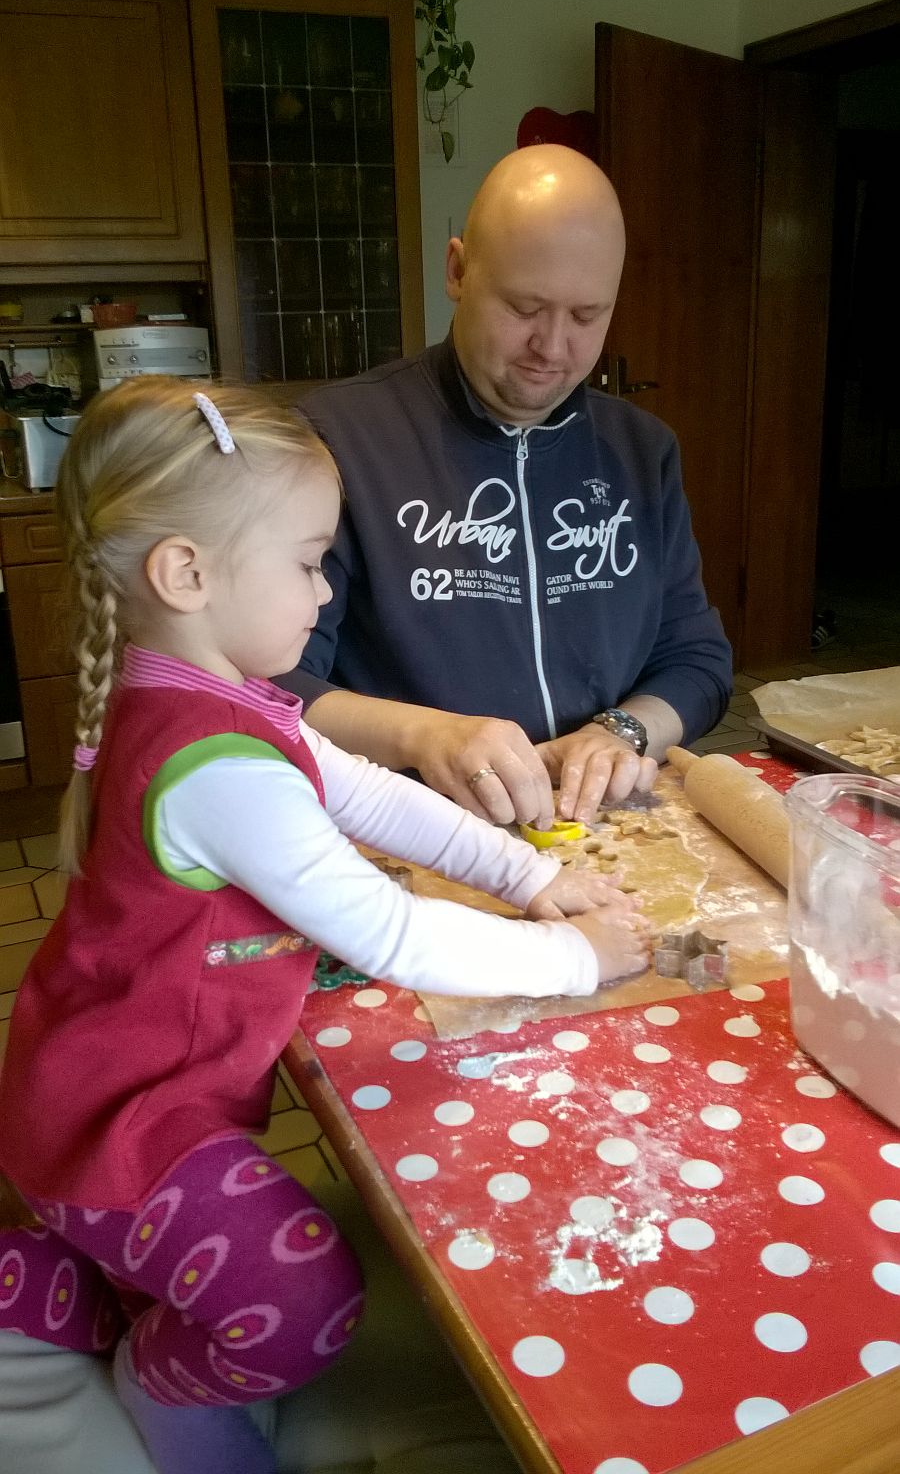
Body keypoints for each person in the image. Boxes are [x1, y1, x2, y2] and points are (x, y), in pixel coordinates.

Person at [0, 378, 649, 1474]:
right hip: (118, 1128)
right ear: (187, 574)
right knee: (307, 1302)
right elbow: (390, 934)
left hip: (95, 1083)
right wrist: (573, 958)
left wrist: (529, 876)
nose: (324, 589)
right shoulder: (215, 770)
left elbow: (372, 795)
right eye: (307, 561)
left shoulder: (216, 694)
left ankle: (67, 1280)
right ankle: (160, 1381)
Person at [283, 144, 732, 829]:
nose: (552, 347)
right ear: (458, 271)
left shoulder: (643, 452)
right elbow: (269, 685)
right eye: (524, 307)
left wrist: (621, 732)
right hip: (406, 831)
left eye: (586, 316)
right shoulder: (336, 441)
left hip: (600, 832)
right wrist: (427, 736)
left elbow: (697, 660)